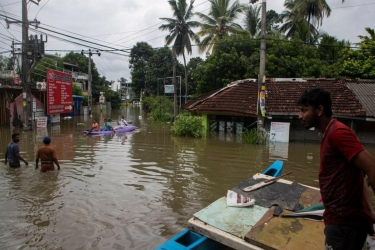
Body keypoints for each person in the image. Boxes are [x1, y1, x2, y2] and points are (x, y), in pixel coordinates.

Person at [298, 87, 375, 249]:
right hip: (339, 221)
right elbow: (359, 174)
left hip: (345, 224)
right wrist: (369, 211)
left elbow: (371, 167)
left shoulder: (338, 133)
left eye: (304, 111)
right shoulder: (328, 133)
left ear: (319, 110)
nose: (300, 116)